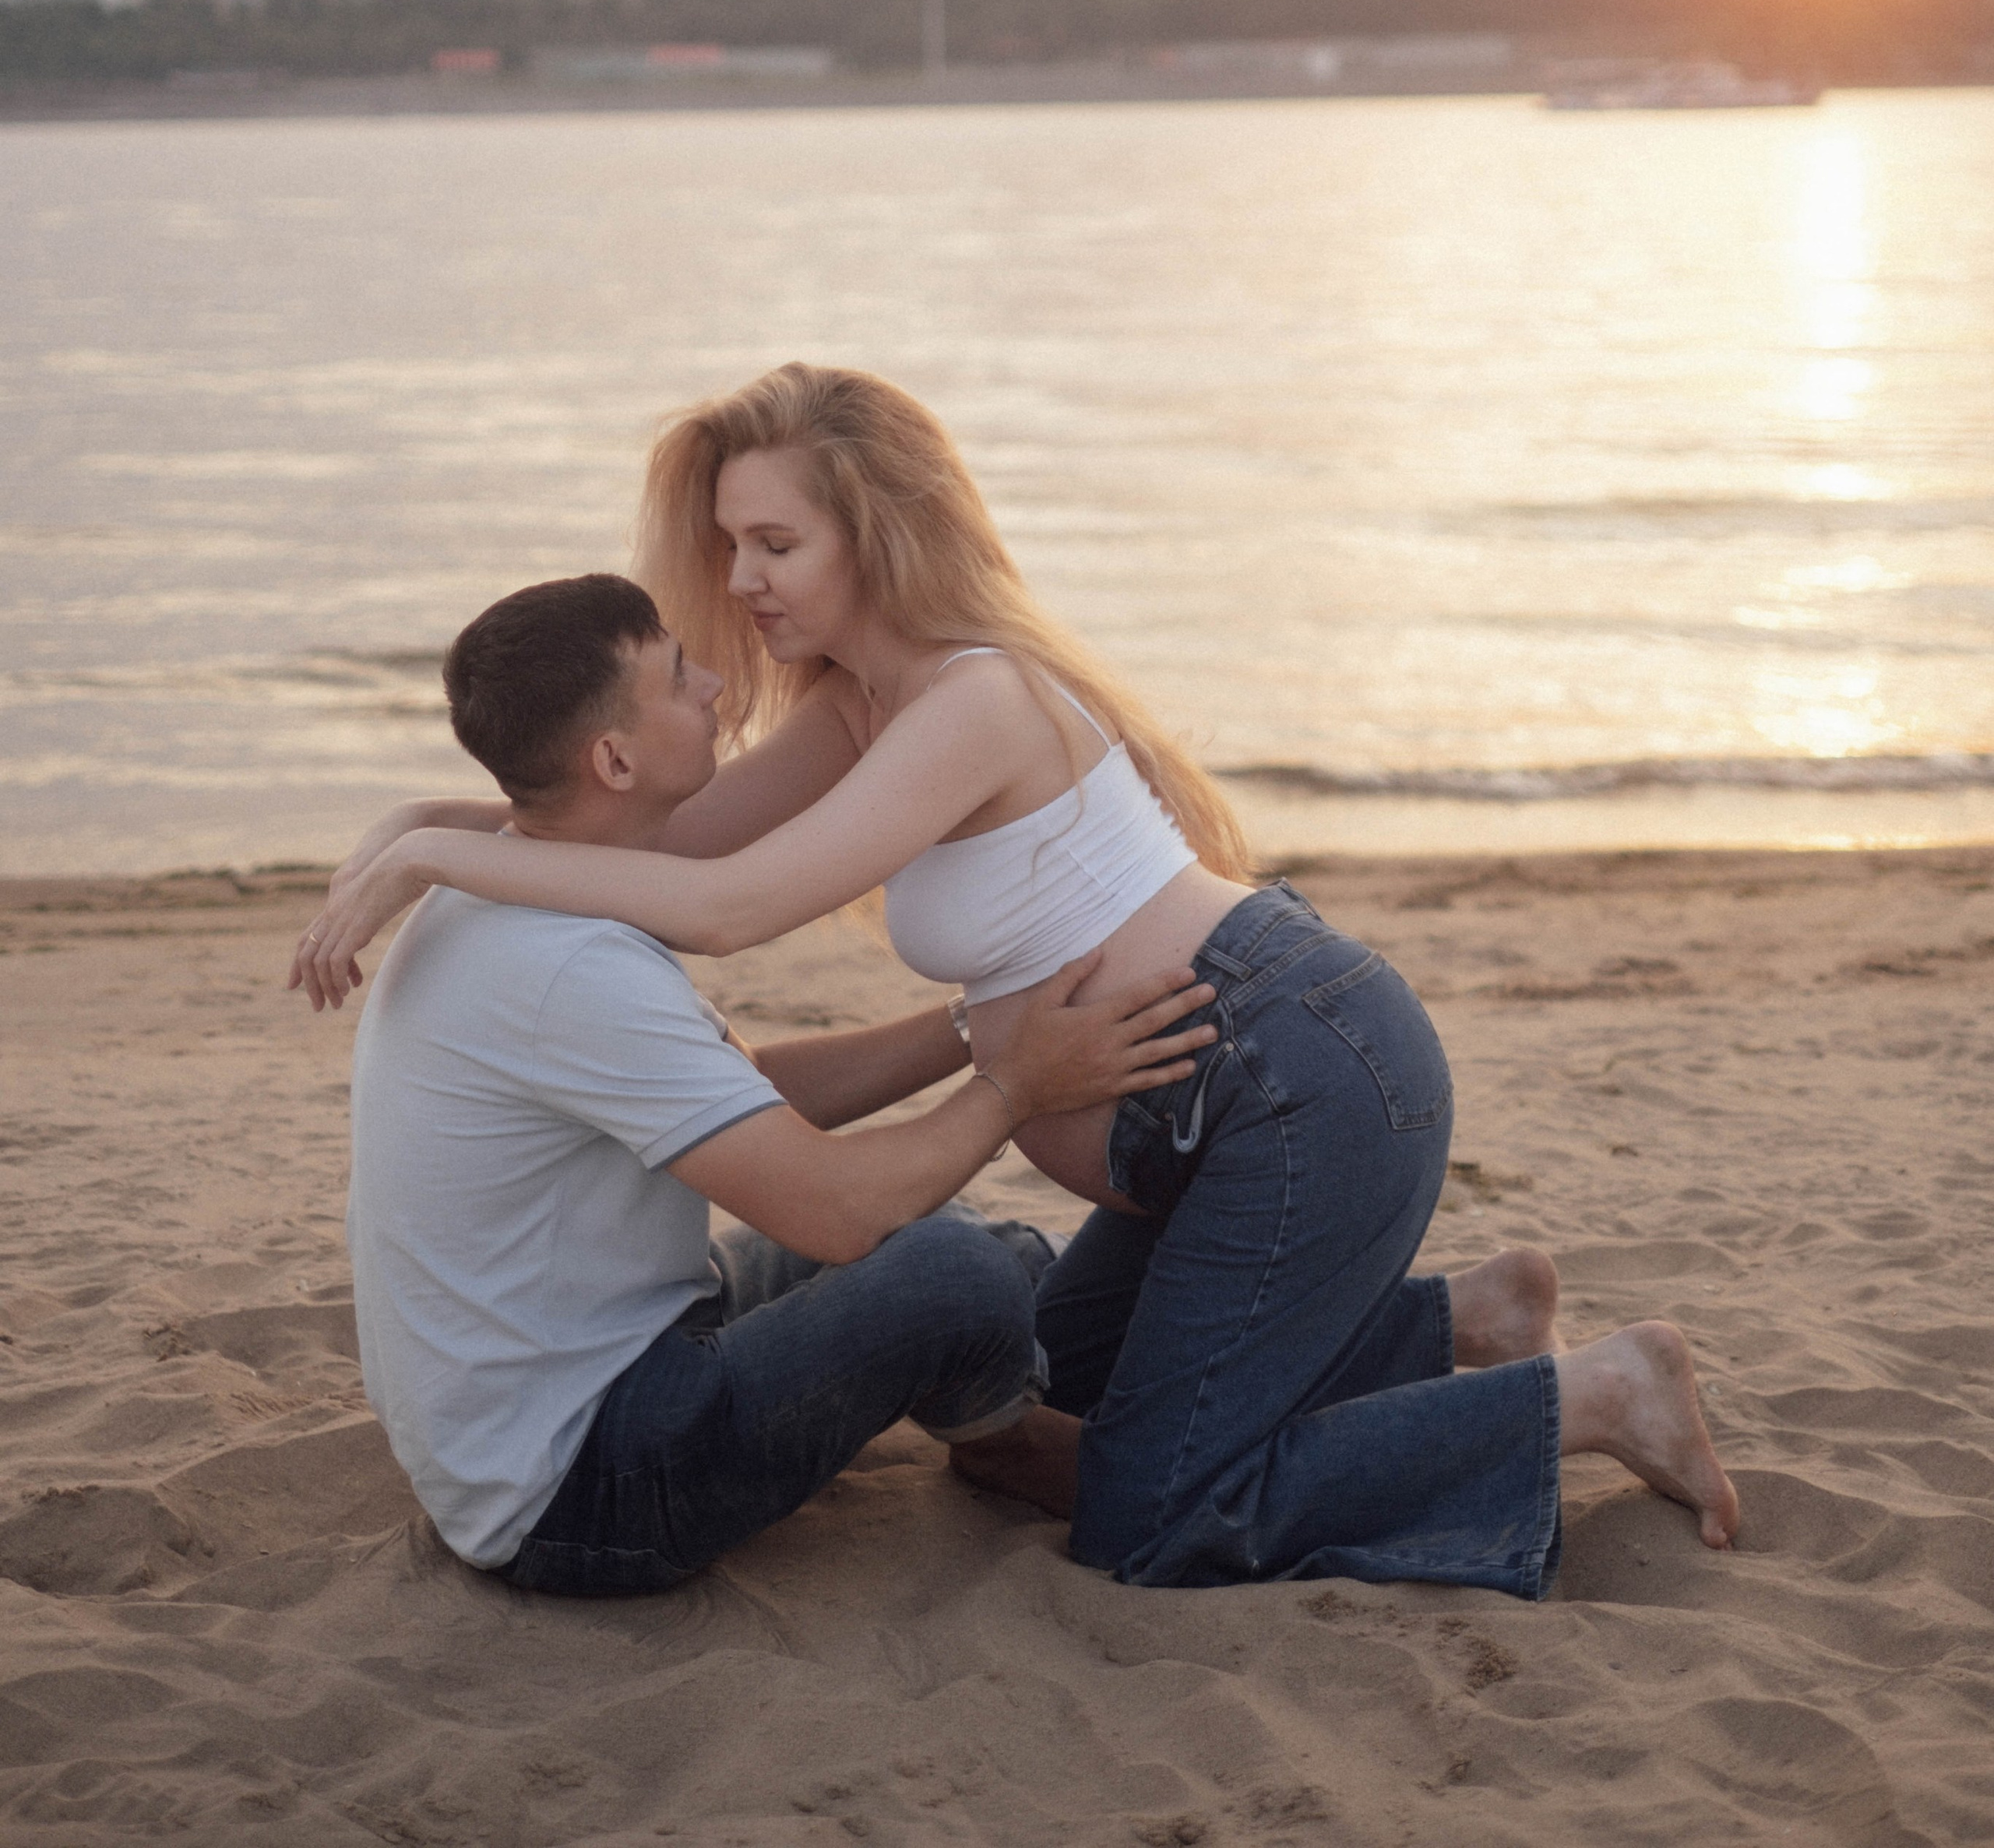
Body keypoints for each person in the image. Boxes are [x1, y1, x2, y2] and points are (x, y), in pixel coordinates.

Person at [298, 364, 1739, 1596]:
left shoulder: (970, 698)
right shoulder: (859, 710)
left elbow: (722, 908)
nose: (740, 587)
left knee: (1154, 1514)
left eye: (775, 545)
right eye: (732, 547)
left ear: (870, 535)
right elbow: (630, 834)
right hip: (1207, 1091)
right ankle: (1459, 1326)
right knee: (1055, 1367)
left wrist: (435, 863)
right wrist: (413, 837)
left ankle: (1590, 1398)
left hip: (1293, 1072)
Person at [335, 568, 1219, 1596]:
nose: (713, 683)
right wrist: (1017, 1086)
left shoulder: (521, 887)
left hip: (590, 1369)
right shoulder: (565, 966)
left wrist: (979, 1031)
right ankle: (1022, 1445)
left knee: (989, 1247)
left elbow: (746, 1091)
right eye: (676, 676)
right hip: (576, 1487)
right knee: (945, 1270)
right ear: (613, 759)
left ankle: (1116, 1372)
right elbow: (836, 1214)